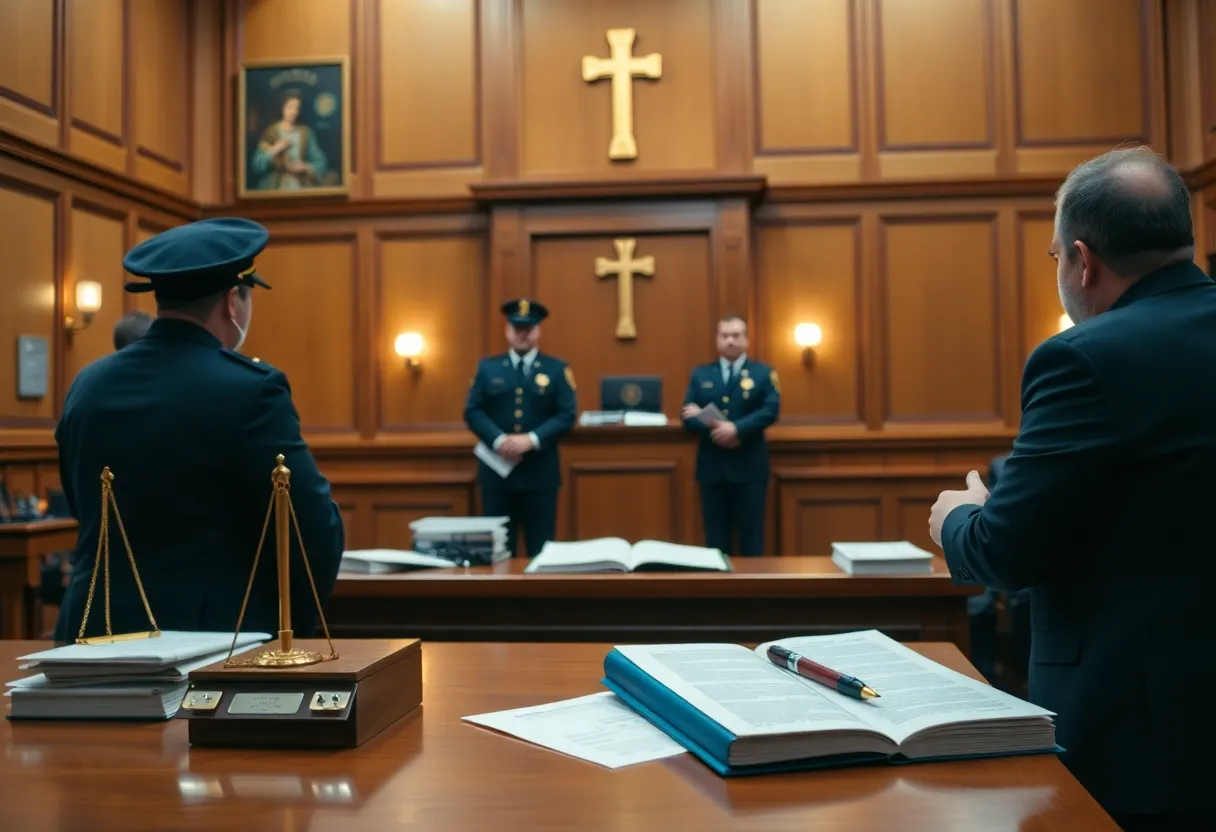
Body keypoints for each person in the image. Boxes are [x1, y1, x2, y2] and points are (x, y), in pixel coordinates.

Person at [929, 147, 1216, 829]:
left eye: (1055, 257)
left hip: (1137, 730)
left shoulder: (1082, 359)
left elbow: (1010, 552)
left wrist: (960, 520)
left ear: (1083, 261)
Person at [54, 217, 345, 642]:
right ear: (233, 301)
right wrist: (291, 628)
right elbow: (308, 531)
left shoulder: (88, 384)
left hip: (93, 636)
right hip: (210, 646)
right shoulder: (252, 389)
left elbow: (82, 505)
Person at [463, 299, 576, 557]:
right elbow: (472, 411)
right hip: (497, 475)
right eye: (517, 328)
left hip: (540, 474)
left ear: (538, 331)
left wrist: (532, 439)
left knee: (542, 549)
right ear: (507, 330)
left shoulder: (557, 369)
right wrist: (499, 440)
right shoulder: (488, 368)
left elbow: (567, 414)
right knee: (498, 553)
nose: (522, 334)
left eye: (529, 328)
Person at [681, 314, 780, 556]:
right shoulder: (701, 374)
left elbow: (771, 410)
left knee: (751, 540)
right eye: (725, 336)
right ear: (717, 339)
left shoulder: (762, 373)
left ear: (746, 340)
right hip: (713, 470)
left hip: (749, 469)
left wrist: (737, 429)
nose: (730, 341)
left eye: (736, 336)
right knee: (715, 542)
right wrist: (718, 429)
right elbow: (687, 414)